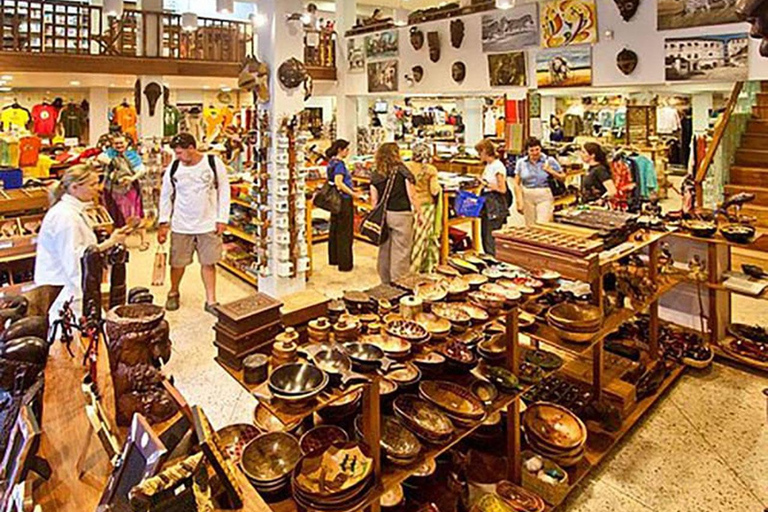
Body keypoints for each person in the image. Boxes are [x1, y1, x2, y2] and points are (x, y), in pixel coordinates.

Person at [35, 164, 130, 324]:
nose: (98, 188)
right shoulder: (66, 217)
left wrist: (107, 241)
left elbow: (82, 251)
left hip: (70, 287)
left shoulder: (72, 211)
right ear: (74, 187)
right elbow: (74, 259)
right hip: (66, 290)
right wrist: (110, 242)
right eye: (92, 184)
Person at [157, 133, 231, 314]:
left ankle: (211, 300)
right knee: (177, 263)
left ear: (192, 148)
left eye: (181, 153)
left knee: (209, 262)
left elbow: (224, 190)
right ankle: (173, 291)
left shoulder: (213, 163)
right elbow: (166, 195)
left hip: (208, 224)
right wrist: (163, 222)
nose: (178, 157)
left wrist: (222, 218)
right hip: (181, 224)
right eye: (176, 153)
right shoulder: (174, 167)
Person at [370, 142, 417, 285]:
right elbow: (412, 195)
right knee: (401, 251)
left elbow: (374, 200)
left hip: (384, 215)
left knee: (384, 249)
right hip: (402, 214)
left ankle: (385, 282)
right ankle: (399, 283)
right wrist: (419, 213)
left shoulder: (376, 173)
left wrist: (376, 215)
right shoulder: (403, 171)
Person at [100, 133, 149, 250]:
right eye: (116, 143)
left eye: (121, 143)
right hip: (113, 189)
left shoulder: (132, 155)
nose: (119, 145)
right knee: (116, 215)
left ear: (126, 143)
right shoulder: (109, 154)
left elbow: (141, 170)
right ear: (112, 145)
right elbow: (100, 157)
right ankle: (120, 242)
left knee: (135, 214)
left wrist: (131, 179)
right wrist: (113, 162)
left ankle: (144, 240)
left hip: (130, 188)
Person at [326, 139, 360, 272]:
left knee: (335, 229)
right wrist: (353, 193)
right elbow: (339, 182)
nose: (348, 152)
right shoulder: (339, 164)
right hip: (343, 200)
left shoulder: (331, 162)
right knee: (345, 232)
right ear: (340, 150)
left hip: (334, 200)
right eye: (346, 149)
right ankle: (345, 263)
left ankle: (334, 258)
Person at [514, 137, 565, 226]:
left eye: (537, 149)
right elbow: (516, 183)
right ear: (527, 151)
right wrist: (519, 200)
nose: (535, 153)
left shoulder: (549, 160)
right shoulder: (521, 163)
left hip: (544, 194)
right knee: (530, 225)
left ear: (540, 148)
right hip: (527, 195)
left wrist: (551, 171)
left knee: (543, 224)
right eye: (531, 150)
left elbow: (563, 177)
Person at [407, 142, 441, 273]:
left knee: (411, 238)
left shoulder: (406, 166)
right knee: (423, 239)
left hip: (409, 205)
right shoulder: (430, 170)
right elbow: (434, 190)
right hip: (425, 206)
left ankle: (407, 268)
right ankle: (418, 269)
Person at [475, 138, 508, 256]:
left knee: (490, 239)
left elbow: (502, 188)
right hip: (488, 204)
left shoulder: (497, 167)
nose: (479, 155)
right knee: (485, 235)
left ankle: (494, 264)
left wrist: (485, 184)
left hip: (495, 204)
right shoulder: (489, 165)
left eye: (480, 153)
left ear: (485, 152)